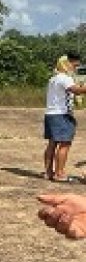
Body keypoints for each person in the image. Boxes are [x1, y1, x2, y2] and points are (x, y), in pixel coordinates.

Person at [43, 52, 86, 182]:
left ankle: (48, 172)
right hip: (61, 115)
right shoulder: (65, 78)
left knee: (52, 144)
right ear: (67, 64)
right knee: (65, 144)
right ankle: (60, 173)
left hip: (51, 114)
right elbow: (77, 90)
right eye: (74, 64)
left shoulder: (54, 78)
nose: (75, 67)